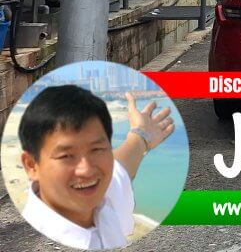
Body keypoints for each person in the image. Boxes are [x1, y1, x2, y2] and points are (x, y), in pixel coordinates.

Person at [18, 85, 176, 250]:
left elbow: (120, 168)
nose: (86, 170)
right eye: (66, 156)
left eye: (97, 149)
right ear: (31, 165)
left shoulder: (103, 195)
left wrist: (142, 135)